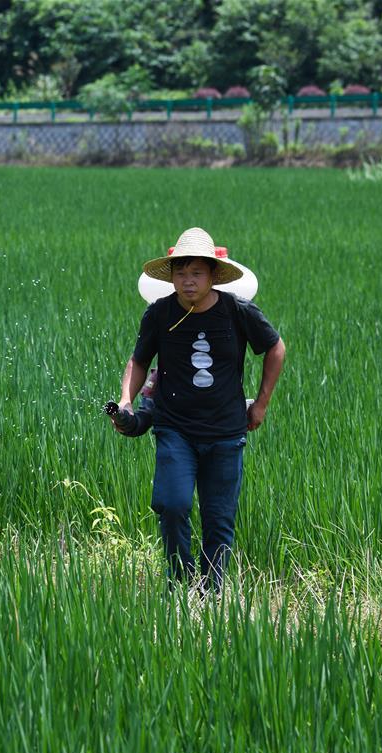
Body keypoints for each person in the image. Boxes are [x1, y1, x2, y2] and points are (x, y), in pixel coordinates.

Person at [116, 227, 285, 592]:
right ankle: (180, 581)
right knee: (171, 503)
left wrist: (261, 405)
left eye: (196, 273)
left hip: (226, 433)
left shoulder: (237, 312)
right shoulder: (160, 314)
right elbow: (139, 360)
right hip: (175, 429)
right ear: (171, 276)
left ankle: (211, 594)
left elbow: (275, 349)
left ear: (213, 275)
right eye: (181, 273)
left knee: (218, 519)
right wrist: (127, 401)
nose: (188, 281)